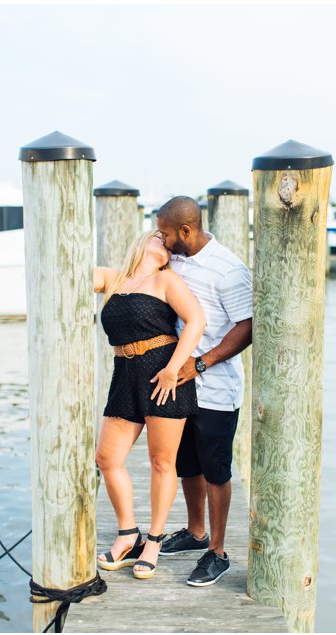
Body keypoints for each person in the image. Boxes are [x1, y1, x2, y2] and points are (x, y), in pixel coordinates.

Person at [94, 229, 206, 579]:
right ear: (141, 240)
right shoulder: (114, 278)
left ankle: (154, 540)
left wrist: (174, 369)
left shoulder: (167, 280)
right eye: (160, 236)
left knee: (161, 462)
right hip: (124, 371)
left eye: (169, 242)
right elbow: (70, 272)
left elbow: (197, 321)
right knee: (107, 458)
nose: (166, 244)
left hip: (162, 374)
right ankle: (128, 534)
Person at [155, 196, 253, 587]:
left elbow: (247, 326)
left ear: (186, 230)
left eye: (165, 233)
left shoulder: (227, 269)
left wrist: (201, 362)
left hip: (215, 386)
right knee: (186, 462)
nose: (161, 239)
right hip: (180, 384)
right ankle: (196, 533)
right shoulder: (173, 257)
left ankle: (217, 551)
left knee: (215, 468)